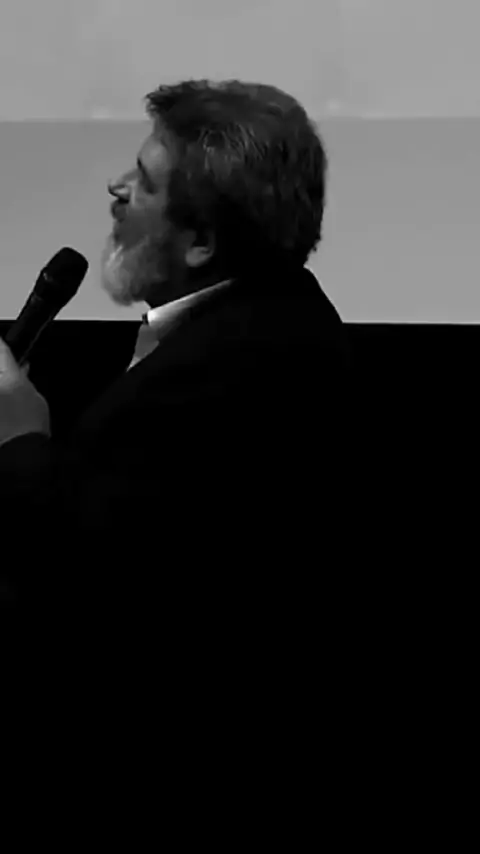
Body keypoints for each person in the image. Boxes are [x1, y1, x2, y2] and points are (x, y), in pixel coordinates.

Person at [0, 79, 353, 621]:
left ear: (201, 242)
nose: (117, 188)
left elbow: (84, 576)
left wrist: (18, 435)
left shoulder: (235, 371)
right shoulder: (271, 318)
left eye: (144, 182)